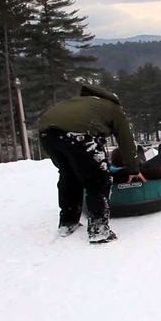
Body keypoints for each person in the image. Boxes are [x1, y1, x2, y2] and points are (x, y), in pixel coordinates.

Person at [39, 84, 144, 243]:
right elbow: (126, 140)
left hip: (47, 134)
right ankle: (98, 230)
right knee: (98, 180)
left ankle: (68, 223)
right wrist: (133, 169)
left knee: (69, 175)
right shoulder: (113, 108)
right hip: (80, 136)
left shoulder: (77, 103)